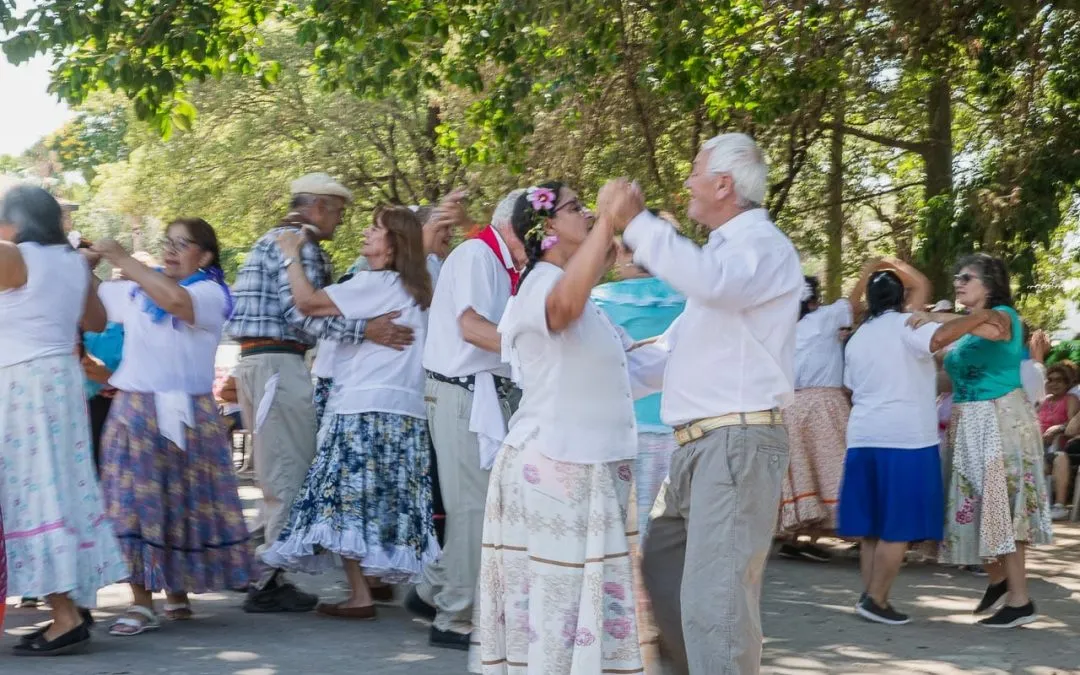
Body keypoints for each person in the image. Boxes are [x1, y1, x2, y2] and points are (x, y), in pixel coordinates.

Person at [604, 132, 804, 674]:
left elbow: (715, 286)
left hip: (734, 444)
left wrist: (637, 222)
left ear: (723, 184)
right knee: (664, 568)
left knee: (716, 602)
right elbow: (668, 356)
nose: (688, 182)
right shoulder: (719, 258)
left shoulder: (761, 247)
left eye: (696, 171)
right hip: (700, 448)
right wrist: (591, 367)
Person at [468, 182, 643, 674]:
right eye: (576, 208)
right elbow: (560, 311)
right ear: (547, 226)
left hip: (584, 465)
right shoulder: (540, 285)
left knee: (576, 612)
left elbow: (629, 371)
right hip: (554, 467)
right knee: (557, 614)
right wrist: (608, 220)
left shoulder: (587, 300)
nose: (586, 214)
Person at [227, 173, 413, 613]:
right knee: (288, 471)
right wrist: (366, 330)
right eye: (339, 211)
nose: (342, 221)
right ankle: (269, 579)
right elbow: (305, 312)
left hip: (263, 362)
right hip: (278, 363)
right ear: (320, 207)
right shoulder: (301, 245)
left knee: (276, 469)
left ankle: (261, 566)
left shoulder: (274, 239)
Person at [262, 206, 440, 619]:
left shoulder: (375, 282)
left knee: (342, 502)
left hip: (362, 408)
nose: (365, 232)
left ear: (392, 245)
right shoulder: (419, 288)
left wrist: (290, 254)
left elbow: (307, 303)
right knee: (384, 502)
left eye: (375, 229)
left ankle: (362, 593)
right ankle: (373, 587)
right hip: (406, 411)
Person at [90, 219, 254, 636]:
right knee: (132, 503)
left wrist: (123, 258)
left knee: (182, 502)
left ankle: (177, 590)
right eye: (168, 242)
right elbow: (91, 312)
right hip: (135, 410)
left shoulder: (210, 293)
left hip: (189, 414)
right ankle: (141, 602)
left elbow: (177, 303)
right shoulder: (137, 290)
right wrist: (84, 268)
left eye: (183, 244)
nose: (171, 250)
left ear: (206, 255)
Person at [0, 185, 128, 655]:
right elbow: (94, 321)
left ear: (15, 221)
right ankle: (74, 601)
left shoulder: (14, 255)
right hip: (62, 384)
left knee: (31, 493)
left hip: (22, 385)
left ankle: (65, 615)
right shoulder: (72, 263)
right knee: (64, 490)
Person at [405, 189, 527, 650]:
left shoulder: (502, 259)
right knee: (473, 508)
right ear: (516, 228)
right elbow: (472, 327)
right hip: (463, 392)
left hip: (482, 393)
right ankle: (454, 616)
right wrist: (536, 350)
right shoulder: (478, 255)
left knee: (482, 504)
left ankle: (431, 589)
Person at [838, 267, 995, 625]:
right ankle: (876, 599)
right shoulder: (909, 325)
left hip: (862, 436)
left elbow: (850, 386)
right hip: (906, 438)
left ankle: (870, 596)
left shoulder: (858, 337)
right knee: (899, 525)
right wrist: (979, 316)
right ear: (902, 299)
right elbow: (940, 338)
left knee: (872, 528)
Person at [933, 253, 1053, 628]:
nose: (958, 282)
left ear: (989, 284)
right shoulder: (967, 331)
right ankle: (1001, 580)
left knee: (1003, 508)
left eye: (966, 277)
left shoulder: (1004, 316)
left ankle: (1020, 601)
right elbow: (950, 376)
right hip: (970, 421)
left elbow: (994, 331)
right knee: (978, 508)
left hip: (1000, 418)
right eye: (957, 276)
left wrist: (937, 318)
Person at [776, 266, 873, 562]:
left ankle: (800, 535)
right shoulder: (824, 318)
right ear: (812, 301)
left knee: (803, 471)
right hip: (824, 404)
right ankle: (855, 534)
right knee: (836, 468)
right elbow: (853, 304)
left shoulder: (778, 328)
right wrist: (870, 269)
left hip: (789, 407)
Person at [1038, 364, 1079, 520]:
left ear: (1067, 383)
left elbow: (1072, 425)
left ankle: (1059, 506)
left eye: (1059, 380)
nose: (1054, 383)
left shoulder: (1071, 399)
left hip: (1055, 448)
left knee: (1060, 458)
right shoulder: (1043, 401)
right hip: (1036, 448)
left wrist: (1057, 428)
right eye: (1050, 380)